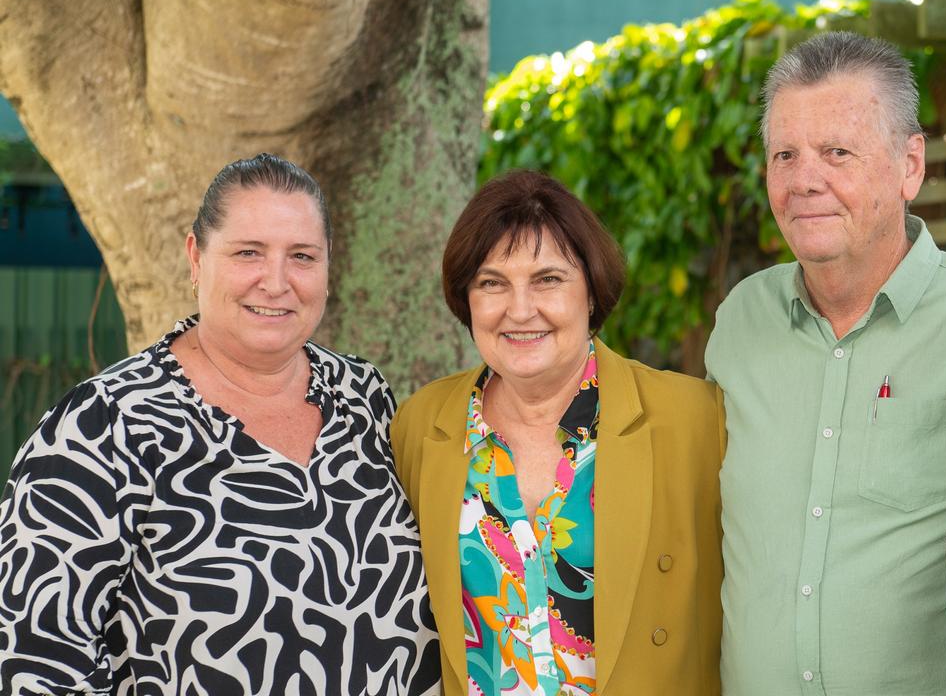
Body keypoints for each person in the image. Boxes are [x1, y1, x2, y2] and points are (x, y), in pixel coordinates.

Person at [0, 154, 439, 694]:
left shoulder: (364, 398)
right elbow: (32, 661)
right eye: (248, 252)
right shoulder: (103, 425)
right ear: (196, 258)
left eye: (302, 256)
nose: (276, 282)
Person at [705, 31, 946, 694]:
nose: (804, 181)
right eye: (785, 155)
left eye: (837, 153)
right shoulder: (740, 320)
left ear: (910, 164)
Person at [392, 169, 724, 696]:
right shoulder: (422, 427)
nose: (520, 310)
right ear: (467, 300)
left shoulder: (693, 420)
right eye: (492, 283)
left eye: (548, 279)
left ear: (591, 291)